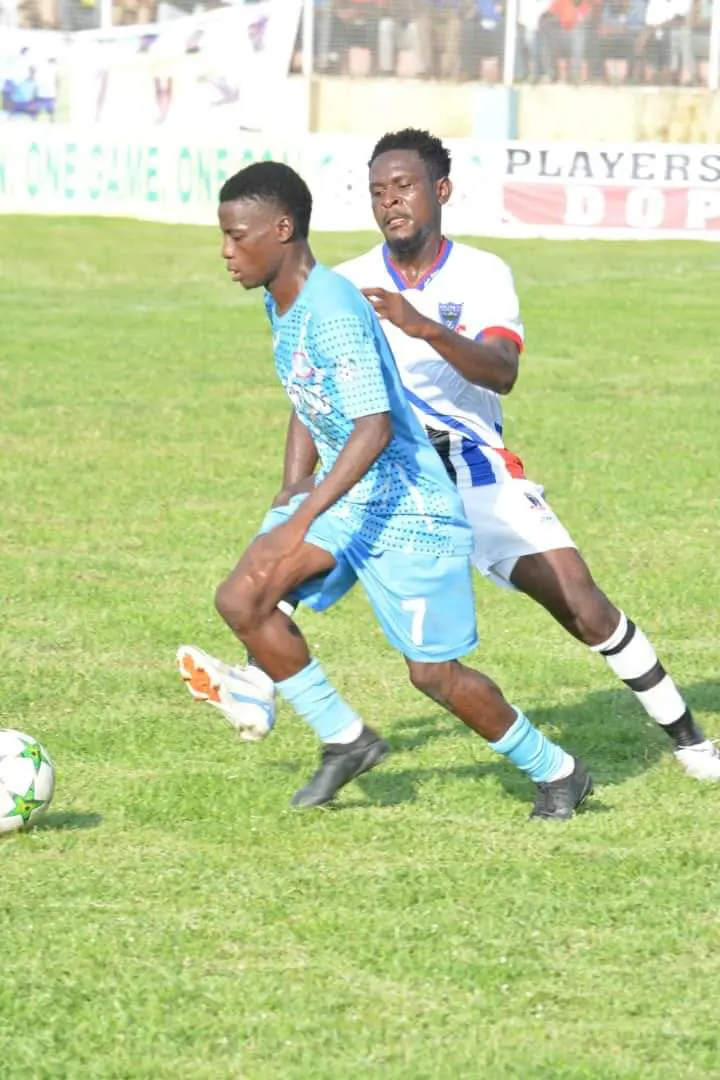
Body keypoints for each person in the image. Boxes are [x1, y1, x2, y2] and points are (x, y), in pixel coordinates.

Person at [180, 131, 719, 785]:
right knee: (279, 571)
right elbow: (311, 390)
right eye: (378, 192)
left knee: (582, 605)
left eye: (403, 187)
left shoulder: (482, 273)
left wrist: (424, 326)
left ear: (441, 191)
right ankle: (267, 687)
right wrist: (294, 485)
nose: (390, 203)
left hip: (467, 465)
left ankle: (687, 740)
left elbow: (502, 372)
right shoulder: (343, 282)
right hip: (380, 472)